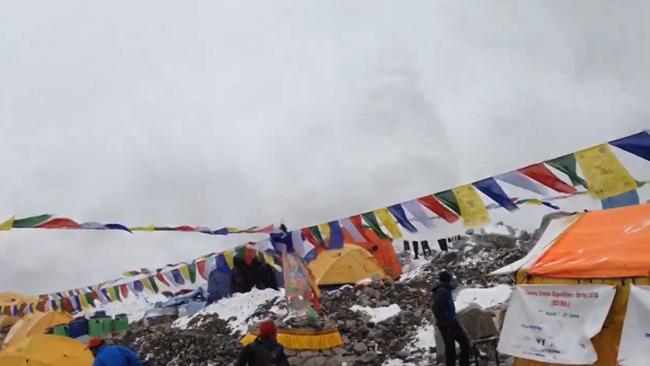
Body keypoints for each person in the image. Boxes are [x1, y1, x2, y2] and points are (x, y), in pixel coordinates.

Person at [432, 271, 470, 366]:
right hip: (448, 324)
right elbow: (435, 307)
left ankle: (463, 363)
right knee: (453, 348)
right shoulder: (442, 291)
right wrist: (444, 322)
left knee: (460, 345)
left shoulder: (444, 289)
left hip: (451, 322)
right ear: (448, 279)